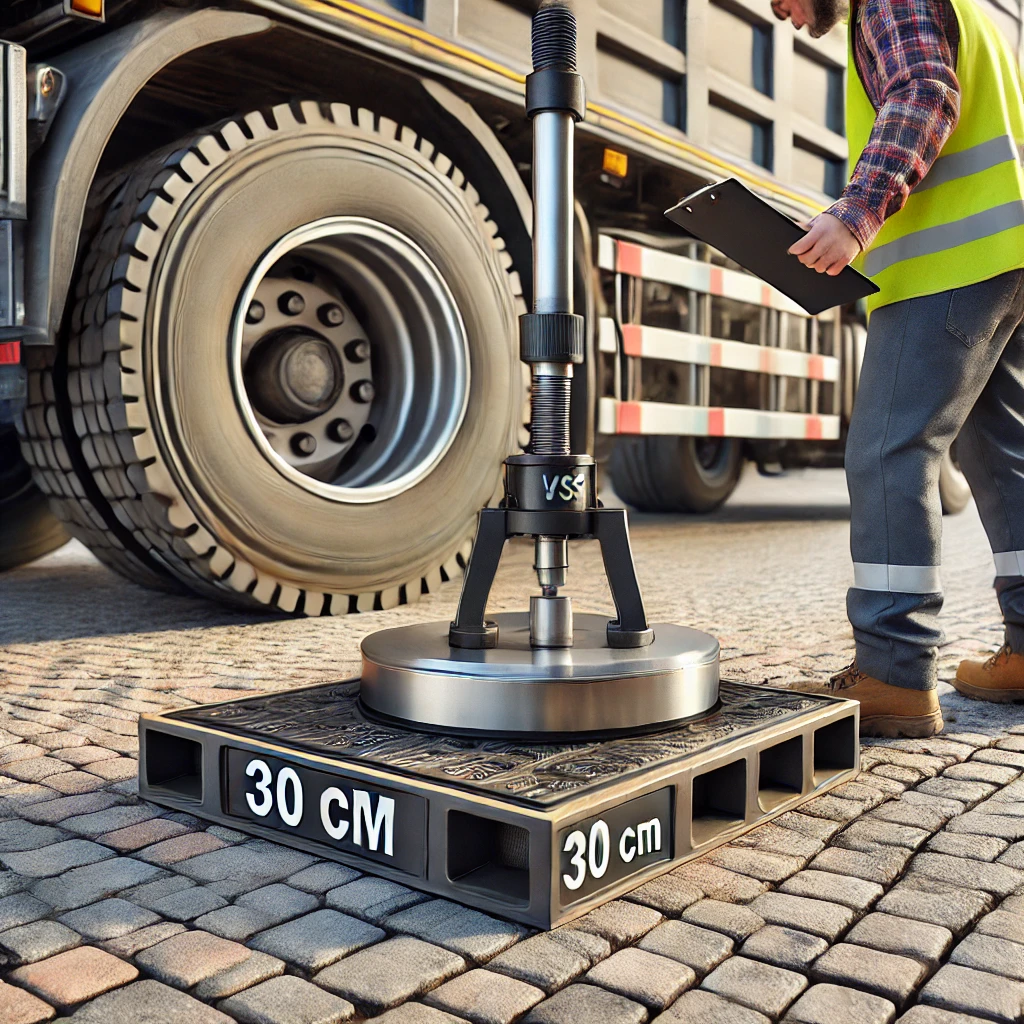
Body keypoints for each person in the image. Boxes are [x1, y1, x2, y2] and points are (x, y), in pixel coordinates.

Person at [770, 0, 1024, 736]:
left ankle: (894, 670)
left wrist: (855, 215)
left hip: (942, 269)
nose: (780, 12)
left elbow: (924, 91)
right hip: (1001, 262)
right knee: (1001, 458)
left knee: (889, 451)